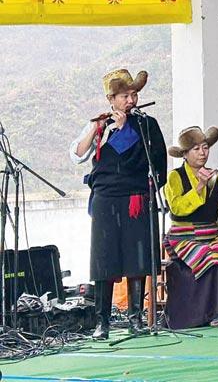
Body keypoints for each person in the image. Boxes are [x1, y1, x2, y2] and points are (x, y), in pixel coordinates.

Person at [69, 69, 167, 340]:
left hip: (135, 197)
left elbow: (158, 162)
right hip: (105, 198)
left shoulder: (147, 124)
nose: (131, 100)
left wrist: (126, 130)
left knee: (137, 259)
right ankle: (103, 322)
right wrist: (98, 128)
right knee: (104, 260)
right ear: (111, 98)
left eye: (134, 94)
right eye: (125, 95)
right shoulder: (100, 124)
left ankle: (135, 319)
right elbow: (78, 154)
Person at [162, 125, 218, 329]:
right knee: (211, 257)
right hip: (184, 236)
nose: (202, 153)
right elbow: (177, 208)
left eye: (205, 148)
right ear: (185, 154)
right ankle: (214, 313)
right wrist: (198, 187)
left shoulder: (215, 176)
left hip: (212, 233)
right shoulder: (175, 177)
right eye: (196, 149)